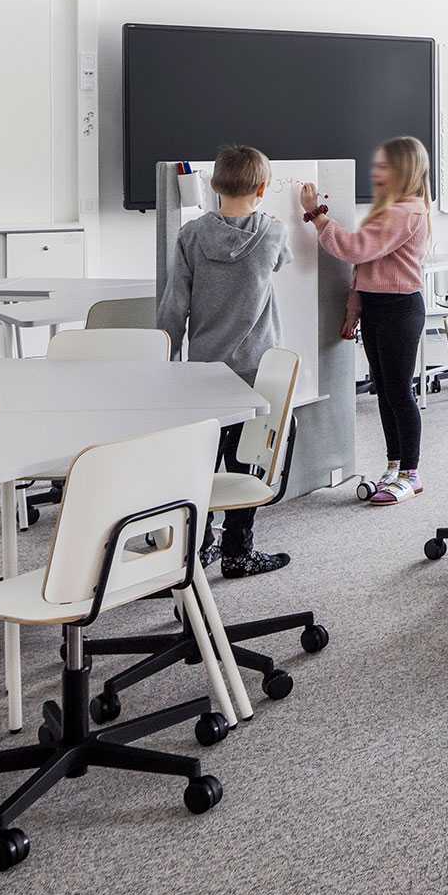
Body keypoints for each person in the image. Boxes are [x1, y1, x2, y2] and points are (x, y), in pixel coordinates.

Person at [158, 144, 292, 578]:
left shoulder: (192, 235)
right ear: (263, 187)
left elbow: (174, 306)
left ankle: (199, 545)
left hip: (204, 371)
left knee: (203, 459)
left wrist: (165, 359)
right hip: (256, 369)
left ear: (214, 184)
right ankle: (240, 550)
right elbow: (283, 265)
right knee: (246, 460)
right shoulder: (272, 232)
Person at [303, 135, 432, 506]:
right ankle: (394, 465)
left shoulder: (405, 212)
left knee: (399, 393)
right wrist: (354, 309)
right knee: (386, 392)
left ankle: (411, 473)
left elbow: (354, 249)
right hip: (378, 307)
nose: (376, 172)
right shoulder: (389, 210)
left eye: (384, 166)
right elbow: (367, 266)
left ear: (404, 170)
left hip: (399, 309)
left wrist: (316, 215)